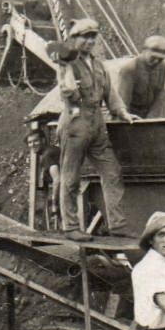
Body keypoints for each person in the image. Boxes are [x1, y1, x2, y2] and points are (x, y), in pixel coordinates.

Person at [55, 17, 141, 240]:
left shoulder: (99, 65)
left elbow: (110, 95)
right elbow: (68, 92)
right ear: (74, 39)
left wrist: (122, 112)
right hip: (75, 122)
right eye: (86, 37)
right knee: (70, 176)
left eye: (93, 37)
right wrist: (67, 72)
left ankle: (118, 224)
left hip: (97, 124)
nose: (90, 41)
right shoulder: (67, 63)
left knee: (112, 172)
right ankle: (71, 227)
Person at [112, 34, 165, 118]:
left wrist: (152, 120)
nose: (156, 61)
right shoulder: (130, 69)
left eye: (160, 59)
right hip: (131, 117)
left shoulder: (162, 66)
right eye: (153, 57)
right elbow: (123, 103)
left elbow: (159, 95)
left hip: (148, 116)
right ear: (144, 51)